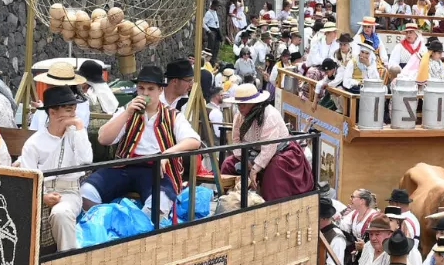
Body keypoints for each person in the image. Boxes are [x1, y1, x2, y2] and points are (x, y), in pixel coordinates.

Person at [84, 65, 201, 218]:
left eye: (150, 89)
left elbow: (194, 140)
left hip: (156, 170)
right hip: (125, 166)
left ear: (160, 90)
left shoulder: (172, 115)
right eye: (141, 88)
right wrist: (127, 112)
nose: (145, 93)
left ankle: (141, 228)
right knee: (86, 191)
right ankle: (105, 222)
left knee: (159, 203)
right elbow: (103, 139)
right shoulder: (127, 110)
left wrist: (166, 154)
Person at [17, 84, 93, 252]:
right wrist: (42, 196)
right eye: (68, 110)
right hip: (39, 192)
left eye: (74, 110)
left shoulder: (76, 134)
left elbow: (87, 160)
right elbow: (27, 178)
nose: (73, 114)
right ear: (52, 112)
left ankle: (67, 259)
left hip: (69, 191)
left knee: (61, 213)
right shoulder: (33, 143)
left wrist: (79, 126)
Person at [221, 84, 313, 201]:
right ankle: (228, 200)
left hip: (281, 151)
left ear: (253, 103)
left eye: (243, 104)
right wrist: (244, 160)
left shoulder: (270, 115)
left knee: (275, 169)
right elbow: (236, 140)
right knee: (228, 163)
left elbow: (269, 147)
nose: (240, 108)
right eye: (238, 104)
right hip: (253, 152)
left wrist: (254, 169)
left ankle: (268, 205)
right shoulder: (239, 116)